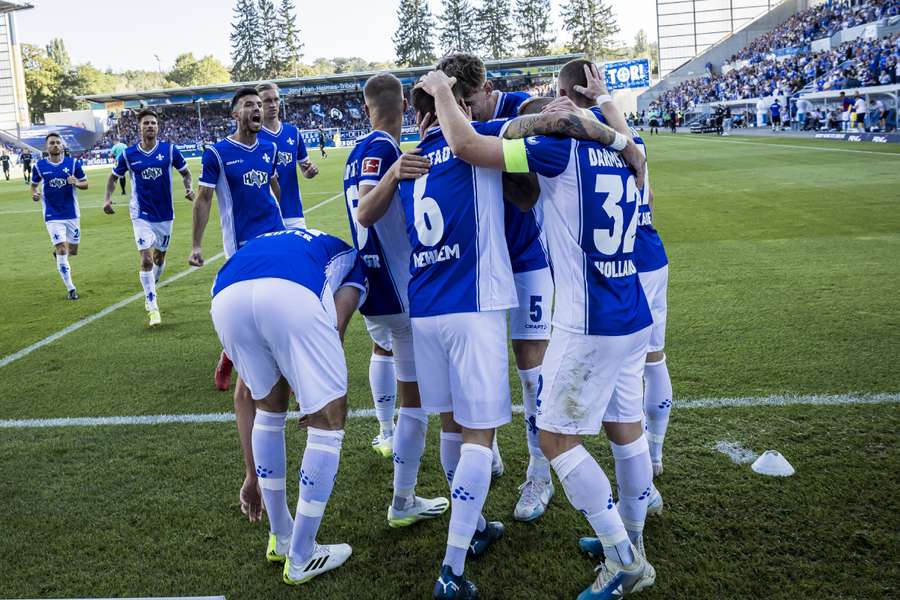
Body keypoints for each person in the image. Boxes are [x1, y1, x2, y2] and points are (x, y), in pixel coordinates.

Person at [416, 66, 656, 600]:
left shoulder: (555, 150)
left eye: (552, 101)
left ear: (565, 109)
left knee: (555, 439)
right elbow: (636, 155)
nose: (545, 104)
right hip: (631, 309)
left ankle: (624, 559)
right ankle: (632, 539)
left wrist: (438, 92)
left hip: (589, 317)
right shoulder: (621, 148)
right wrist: (602, 112)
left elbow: (465, 144)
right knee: (624, 426)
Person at [210, 227, 365, 585]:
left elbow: (243, 395)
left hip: (225, 292)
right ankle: (302, 554)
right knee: (330, 418)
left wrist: (251, 474)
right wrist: (313, 391)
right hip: (288, 294)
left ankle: (281, 537)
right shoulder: (352, 261)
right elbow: (335, 328)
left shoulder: (273, 243)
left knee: (268, 406)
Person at [436, 51, 554, 519]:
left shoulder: (520, 108)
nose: (460, 114)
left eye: (466, 103)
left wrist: (482, 155)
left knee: (531, 369)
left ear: (486, 91)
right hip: (476, 264)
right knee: (477, 365)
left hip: (524, 258)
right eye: (453, 105)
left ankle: (539, 475)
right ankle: (490, 442)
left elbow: (528, 195)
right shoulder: (451, 118)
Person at [346, 73, 452, 526]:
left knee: (388, 359)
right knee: (419, 399)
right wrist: (394, 171)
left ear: (364, 104)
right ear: (406, 102)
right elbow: (366, 211)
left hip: (372, 285)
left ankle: (388, 436)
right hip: (400, 289)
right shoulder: (384, 149)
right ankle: (403, 500)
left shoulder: (354, 151)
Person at [189, 87, 286, 393]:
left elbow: (273, 186)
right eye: (249, 105)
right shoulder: (217, 153)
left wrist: (279, 221)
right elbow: (203, 198)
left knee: (276, 305)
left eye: (259, 104)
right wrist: (196, 245)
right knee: (242, 311)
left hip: (274, 235)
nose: (257, 109)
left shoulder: (269, 148)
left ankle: (282, 369)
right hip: (241, 243)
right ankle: (229, 356)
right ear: (235, 114)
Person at [102, 108, 195, 327]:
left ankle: (153, 283)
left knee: (159, 259)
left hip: (164, 214)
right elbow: (114, 178)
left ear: (158, 127)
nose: (150, 126)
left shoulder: (170, 150)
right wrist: (107, 199)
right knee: (146, 258)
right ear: (139, 127)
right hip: (140, 213)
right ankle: (152, 305)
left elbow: (186, 173)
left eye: (153, 123)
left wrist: (189, 188)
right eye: (146, 123)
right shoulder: (128, 154)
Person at [30, 133, 88, 300]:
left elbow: (85, 183)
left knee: (73, 251)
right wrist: (35, 194)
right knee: (62, 248)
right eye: (52, 143)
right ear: (47, 147)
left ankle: (60, 257)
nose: (55, 145)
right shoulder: (39, 166)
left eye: (57, 142)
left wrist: (76, 182)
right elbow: (34, 186)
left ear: (62, 146)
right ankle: (71, 289)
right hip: (52, 214)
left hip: (72, 214)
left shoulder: (73, 164)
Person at [257, 82, 319, 229]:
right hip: (265, 215)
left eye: (276, 99)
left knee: (297, 252)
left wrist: (310, 171)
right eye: (267, 101)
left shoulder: (293, 132)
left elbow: (305, 168)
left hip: (293, 213)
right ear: (258, 104)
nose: (273, 104)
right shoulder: (252, 136)